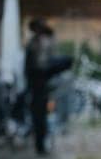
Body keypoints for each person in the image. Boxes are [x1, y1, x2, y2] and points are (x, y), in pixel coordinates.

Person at [23, 17, 71, 155]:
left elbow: (47, 60)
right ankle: (40, 145)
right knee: (39, 116)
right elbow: (33, 66)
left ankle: (42, 144)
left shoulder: (43, 42)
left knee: (43, 115)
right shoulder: (34, 44)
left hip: (43, 82)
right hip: (37, 83)